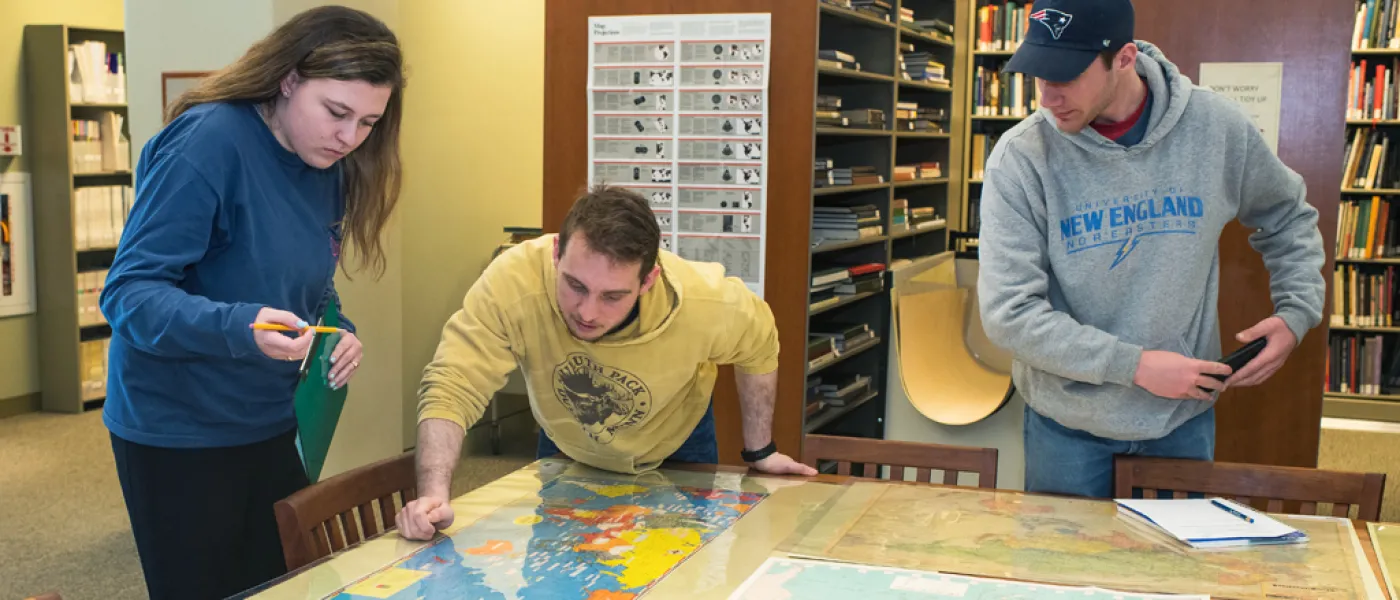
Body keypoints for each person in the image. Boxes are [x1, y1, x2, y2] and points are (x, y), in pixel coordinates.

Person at [98, 6, 405, 598]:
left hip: (269, 420)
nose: (349, 137)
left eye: (369, 122)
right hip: (178, 430)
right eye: (337, 112)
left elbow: (308, 278)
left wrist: (334, 328)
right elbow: (129, 294)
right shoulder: (209, 141)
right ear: (287, 79)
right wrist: (240, 327)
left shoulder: (330, 163)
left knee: (283, 586)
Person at [976, 0, 1326, 499]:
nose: (1048, 97)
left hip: (1181, 422)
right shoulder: (1021, 157)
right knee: (1064, 576)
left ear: (1123, 58)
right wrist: (1135, 366)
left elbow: (1288, 214)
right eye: (1037, 76)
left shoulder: (1216, 128)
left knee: (1177, 575)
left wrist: (1296, 313)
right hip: (1066, 426)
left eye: (1066, 77)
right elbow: (1009, 314)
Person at [394, 184, 816, 541]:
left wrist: (760, 449)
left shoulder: (706, 299)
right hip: (567, 439)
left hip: (676, 442)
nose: (588, 312)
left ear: (648, 280)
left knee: (679, 569)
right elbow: (453, 381)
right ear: (558, 252)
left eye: (612, 296)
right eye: (575, 285)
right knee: (560, 568)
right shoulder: (512, 281)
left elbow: (760, 344)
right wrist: (434, 495)